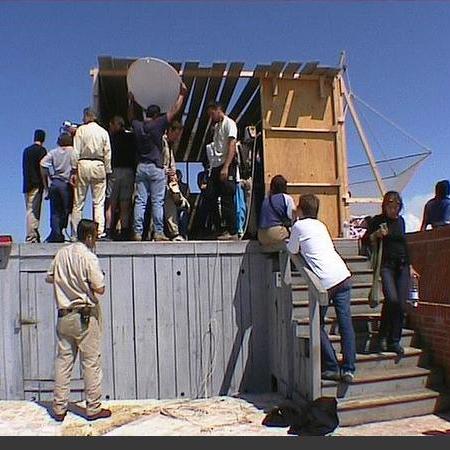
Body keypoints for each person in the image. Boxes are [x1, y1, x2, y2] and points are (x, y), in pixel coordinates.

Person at [46, 219, 111, 422]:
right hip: (84, 315)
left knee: (63, 362)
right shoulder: (89, 257)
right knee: (90, 362)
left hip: (64, 314)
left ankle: (59, 408)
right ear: (90, 236)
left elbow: (49, 277)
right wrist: (86, 287)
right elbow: (100, 288)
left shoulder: (61, 253)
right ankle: (93, 408)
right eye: (96, 236)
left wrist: (66, 284)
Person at [287, 194, 356, 383]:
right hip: (342, 275)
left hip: (325, 282)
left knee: (316, 324)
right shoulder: (321, 225)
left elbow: (292, 250)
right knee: (345, 324)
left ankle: (332, 366)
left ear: (300, 209)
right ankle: (349, 368)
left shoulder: (299, 226)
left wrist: (294, 224)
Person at [128, 82, 188, 241]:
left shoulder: (138, 126)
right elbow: (174, 111)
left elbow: (131, 117)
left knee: (140, 201)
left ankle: (137, 233)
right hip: (156, 167)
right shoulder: (158, 124)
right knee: (157, 202)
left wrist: (131, 101)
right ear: (156, 115)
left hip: (141, 167)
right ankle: (159, 232)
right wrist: (182, 94)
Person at [366, 191, 420, 355]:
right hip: (386, 265)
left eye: (396, 206)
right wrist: (376, 234)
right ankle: (383, 336)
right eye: (390, 206)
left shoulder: (401, 221)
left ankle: (393, 340)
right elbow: (365, 240)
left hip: (402, 265)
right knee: (392, 299)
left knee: (400, 304)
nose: (393, 210)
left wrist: (410, 266)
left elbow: (404, 243)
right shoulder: (378, 221)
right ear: (385, 206)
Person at [70, 108, 112, 239]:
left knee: (78, 202)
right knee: (98, 202)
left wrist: (73, 169)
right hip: (99, 164)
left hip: (83, 163)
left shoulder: (81, 130)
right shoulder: (103, 132)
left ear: (87, 117)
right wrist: (108, 170)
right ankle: (99, 232)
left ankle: (76, 233)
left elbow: (76, 151)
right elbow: (108, 153)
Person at [206, 101, 239, 240]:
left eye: (212, 113)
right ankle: (218, 228)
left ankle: (232, 231)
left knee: (227, 197)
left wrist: (226, 167)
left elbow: (231, 144)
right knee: (210, 195)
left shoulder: (229, 123)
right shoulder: (217, 126)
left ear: (218, 110)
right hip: (216, 165)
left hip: (227, 163)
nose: (211, 117)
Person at [105, 116, 137, 241]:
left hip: (114, 171)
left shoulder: (110, 138)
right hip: (128, 171)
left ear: (115, 124)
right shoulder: (131, 137)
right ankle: (124, 231)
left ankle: (108, 230)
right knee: (125, 204)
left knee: (111, 204)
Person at [40, 134, 74, 242]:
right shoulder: (73, 151)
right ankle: (62, 230)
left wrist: (48, 178)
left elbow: (42, 164)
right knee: (67, 210)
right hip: (66, 183)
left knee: (55, 211)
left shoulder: (53, 152)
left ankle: (56, 233)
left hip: (55, 182)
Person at [161, 122, 189, 241]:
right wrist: (166, 171)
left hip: (168, 182)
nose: (177, 138)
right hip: (159, 180)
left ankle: (175, 232)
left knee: (177, 204)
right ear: (170, 131)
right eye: (176, 135)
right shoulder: (162, 143)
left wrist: (173, 175)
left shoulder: (169, 145)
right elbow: (160, 163)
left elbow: (171, 164)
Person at [22, 129, 47, 243]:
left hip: (27, 184)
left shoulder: (26, 151)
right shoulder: (42, 151)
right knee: (34, 211)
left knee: (29, 209)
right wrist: (46, 186)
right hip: (37, 184)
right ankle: (32, 236)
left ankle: (32, 234)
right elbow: (43, 169)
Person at [258, 175, 296, 246]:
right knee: (296, 232)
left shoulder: (266, 200)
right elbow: (292, 216)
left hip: (261, 235)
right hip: (275, 234)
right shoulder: (286, 198)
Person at [175, 169, 190, 238]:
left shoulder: (185, 186)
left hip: (181, 206)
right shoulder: (171, 186)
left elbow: (187, 196)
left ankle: (183, 234)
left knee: (183, 217)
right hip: (175, 206)